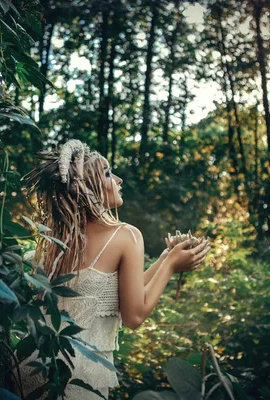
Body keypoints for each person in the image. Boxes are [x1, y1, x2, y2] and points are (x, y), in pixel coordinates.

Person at [17, 139, 211, 399]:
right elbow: (134, 316)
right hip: (79, 376)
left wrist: (166, 259)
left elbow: (106, 293)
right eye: (108, 173)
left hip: (31, 368)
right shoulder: (125, 234)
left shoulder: (54, 240)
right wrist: (172, 266)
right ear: (87, 186)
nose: (119, 179)